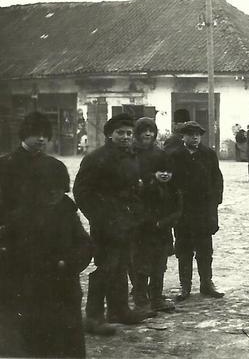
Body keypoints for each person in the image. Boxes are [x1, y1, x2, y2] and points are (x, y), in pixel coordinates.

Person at [0, 112, 92, 358]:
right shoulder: (6, 164)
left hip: (48, 242)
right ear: (23, 135)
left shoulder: (52, 166)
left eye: (45, 136)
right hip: (15, 241)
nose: (41, 140)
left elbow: (80, 238)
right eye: (36, 135)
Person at [73, 113, 147, 336]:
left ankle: (120, 310)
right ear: (109, 134)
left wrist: (136, 213)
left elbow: (133, 188)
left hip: (126, 222)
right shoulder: (96, 158)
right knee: (105, 267)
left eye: (128, 133)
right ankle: (94, 317)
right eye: (120, 133)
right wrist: (98, 217)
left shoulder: (131, 157)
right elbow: (82, 192)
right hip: (105, 223)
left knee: (122, 265)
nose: (125, 137)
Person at [130, 118, 181, 314]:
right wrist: (150, 180)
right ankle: (141, 298)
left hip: (161, 213)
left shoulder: (161, 154)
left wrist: (164, 178)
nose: (148, 134)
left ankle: (157, 296)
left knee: (160, 261)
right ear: (138, 133)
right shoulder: (131, 154)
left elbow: (170, 176)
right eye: (144, 131)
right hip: (141, 215)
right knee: (141, 260)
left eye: (151, 131)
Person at [169, 121, 225, 300]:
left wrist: (214, 202)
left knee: (205, 248)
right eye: (191, 134)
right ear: (183, 136)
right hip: (183, 210)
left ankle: (206, 283)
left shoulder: (208, 154)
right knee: (183, 249)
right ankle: (185, 286)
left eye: (198, 134)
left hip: (203, 209)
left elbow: (217, 179)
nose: (195, 137)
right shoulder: (174, 155)